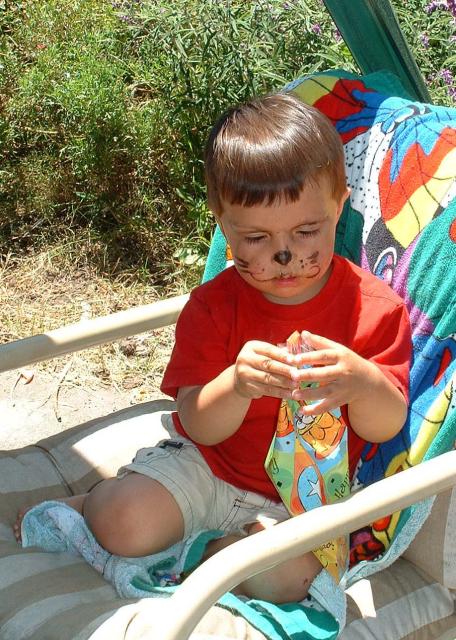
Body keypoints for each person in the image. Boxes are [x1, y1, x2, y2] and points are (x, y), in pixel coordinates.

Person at [15, 93, 411, 604]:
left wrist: (361, 381)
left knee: (294, 583)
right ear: (222, 224)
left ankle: (207, 553)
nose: (283, 256)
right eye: (255, 239)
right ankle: (98, 504)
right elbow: (197, 423)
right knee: (123, 523)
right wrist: (236, 384)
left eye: (307, 231)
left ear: (341, 203)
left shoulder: (374, 308)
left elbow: (386, 425)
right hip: (208, 466)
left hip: (304, 498)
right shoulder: (213, 307)